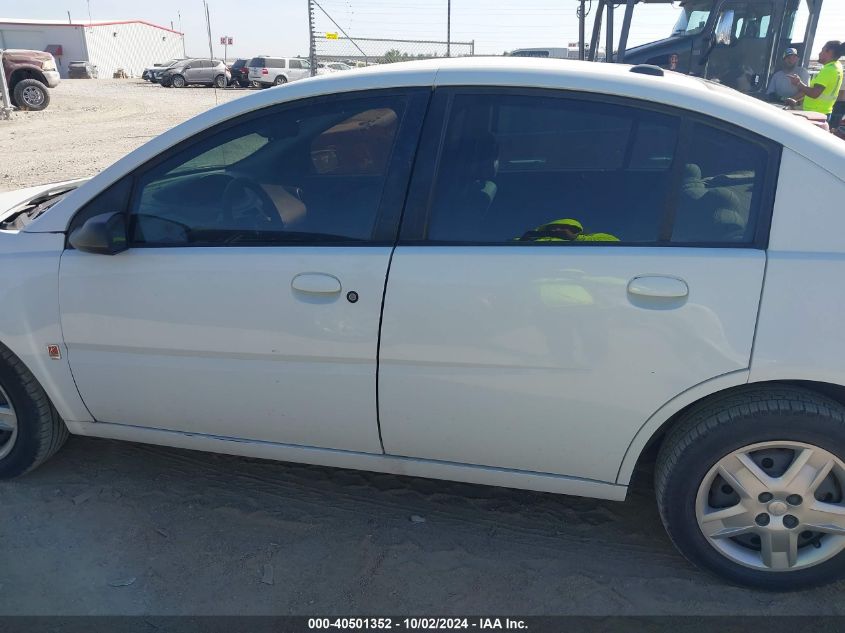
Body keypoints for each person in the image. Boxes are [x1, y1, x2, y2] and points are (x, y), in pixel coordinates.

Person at [787, 40, 845, 125]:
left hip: (814, 116)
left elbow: (814, 93)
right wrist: (795, 99)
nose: (819, 53)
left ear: (829, 52)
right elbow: (814, 90)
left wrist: (798, 83)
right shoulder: (837, 66)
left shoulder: (828, 71)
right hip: (822, 113)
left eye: (822, 50)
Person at [519, 218, 619, 242]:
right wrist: (522, 241)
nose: (556, 230)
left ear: (575, 230)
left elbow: (613, 241)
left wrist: (574, 238)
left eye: (562, 228)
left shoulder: (586, 240)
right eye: (552, 229)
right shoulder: (534, 240)